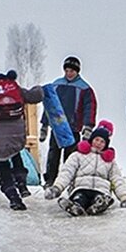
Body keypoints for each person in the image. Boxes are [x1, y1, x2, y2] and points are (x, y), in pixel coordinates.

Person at [0, 70, 44, 211]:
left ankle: (13, 197)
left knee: (3, 163)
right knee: (16, 153)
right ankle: (22, 185)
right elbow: (35, 96)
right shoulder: (16, 88)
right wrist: (39, 88)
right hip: (16, 131)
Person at [43, 120, 126, 216]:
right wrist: (57, 188)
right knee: (80, 197)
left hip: (101, 189)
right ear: (91, 139)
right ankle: (76, 206)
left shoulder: (110, 162)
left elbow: (117, 180)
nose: (98, 143)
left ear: (106, 144)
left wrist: (124, 198)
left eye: (102, 142)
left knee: (99, 197)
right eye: (97, 140)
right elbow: (67, 172)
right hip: (81, 187)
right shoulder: (78, 155)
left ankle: (98, 205)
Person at [40, 55, 97, 186]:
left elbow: (90, 108)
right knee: (53, 154)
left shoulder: (84, 88)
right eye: (67, 71)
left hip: (73, 127)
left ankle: (68, 180)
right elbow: (49, 105)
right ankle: (50, 179)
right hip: (57, 126)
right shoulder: (56, 85)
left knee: (71, 156)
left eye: (72, 71)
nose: (69, 73)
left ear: (77, 71)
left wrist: (88, 126)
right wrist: (44, 125)